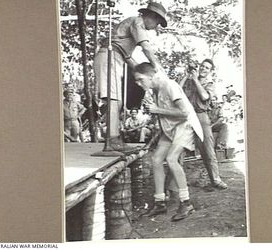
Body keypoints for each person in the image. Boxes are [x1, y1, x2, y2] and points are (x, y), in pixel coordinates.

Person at [134, 62, 203, 221]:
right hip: (171, 128)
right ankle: (160, 203)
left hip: (185, 126)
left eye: (140, 79)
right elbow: (165, 115)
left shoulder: (169, 85)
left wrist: (157, 110)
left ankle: (186, 202)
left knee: (171, 159)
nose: (138, 83)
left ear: (151, 76)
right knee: (156, 159)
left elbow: (184, 113)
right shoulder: (155, 90)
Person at [94, 2, 167, 152]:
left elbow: (128, 58)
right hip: (110, 57)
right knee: (114, 100)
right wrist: (157, 67)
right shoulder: (137, 21)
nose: (155, 27)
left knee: (117, 101)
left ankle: (114, 138)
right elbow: (146, 47)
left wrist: (146, 73)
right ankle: (112, 140)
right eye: (157, 22)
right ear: (151, 17)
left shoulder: (131, 32)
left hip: (117, 58)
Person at [179, 59, 228, 189]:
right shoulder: (188, 81)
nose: (203, 69)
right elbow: (177, 90)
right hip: (187, 116)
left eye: (207, 68)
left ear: (210, 71)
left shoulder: (210, 84)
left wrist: (195, 79)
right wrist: (186, 74)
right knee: (178, 148)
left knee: (207, 149)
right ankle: (174, 185)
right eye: (202, 66)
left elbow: (205, 97)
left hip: (201, 116)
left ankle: (215, 179)